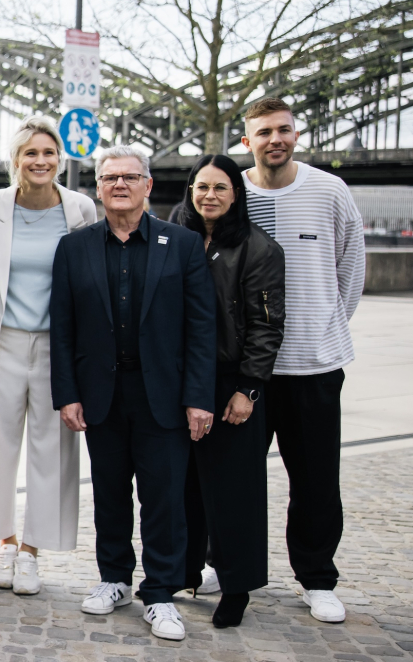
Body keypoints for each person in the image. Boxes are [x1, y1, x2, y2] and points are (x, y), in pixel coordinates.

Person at [50, 145, 215, 641]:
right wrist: (67, 393)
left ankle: (161, 592)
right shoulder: (74, 247)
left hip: (162, 391)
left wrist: (199, 396)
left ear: (148, 185)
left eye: (129, 177)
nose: (118, 185)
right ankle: (114, 578)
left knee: (163, 496)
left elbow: (201, 327)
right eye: (108, 178)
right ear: (97, 188)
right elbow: (63, 328)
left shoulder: (182, 244)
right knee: (110, 492)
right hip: (101, 391)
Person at [239, 97, 366, 624]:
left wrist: (324, 324)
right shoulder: (233, 191)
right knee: (236, 475)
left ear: (296, 134)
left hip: (314, 364)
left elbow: (350, 270)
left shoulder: (329, 190)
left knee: (315, 479)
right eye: (264, 131)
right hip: (248, 369)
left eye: (284, 130)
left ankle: (316, 578)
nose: (276, 139)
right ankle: (228, 561)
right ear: (246, 140)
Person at [0, 116, 95, 596]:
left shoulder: (81, 208)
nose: (40, 161)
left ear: (59, 159)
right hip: (1, 341)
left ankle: (31, 554)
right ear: (16, 160)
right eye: (30, 153)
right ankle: (4, 541)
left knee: (53, 449)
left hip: (56, 346)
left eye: (48, 153)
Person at [171, 154, 286, 628]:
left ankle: (236, 586)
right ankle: (184, 570)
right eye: (201, 187)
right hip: (179, 377)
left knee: (234, 489)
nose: (209, 196)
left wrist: (249, 389)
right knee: (184, 485)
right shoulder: (175, 237)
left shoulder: (259, 249)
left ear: (236, 193)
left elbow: (266, 327)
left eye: (220, 187)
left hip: (230, 380)